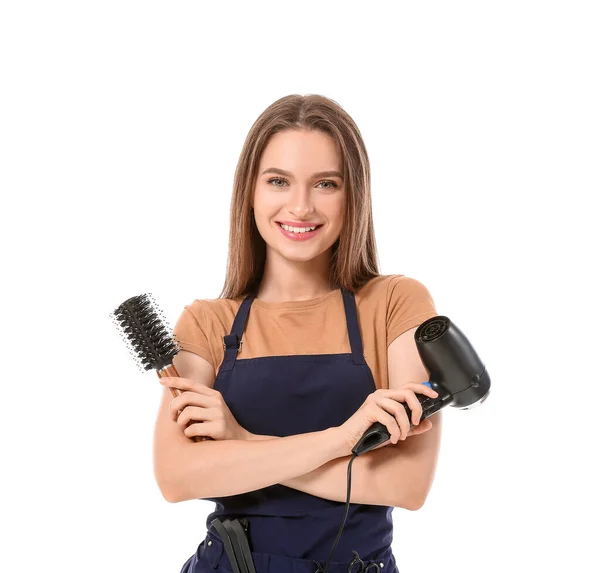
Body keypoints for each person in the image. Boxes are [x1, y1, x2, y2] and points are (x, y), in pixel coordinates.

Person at [154, 94, 443, 573]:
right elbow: (177, 478)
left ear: (355, 193)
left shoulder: (395, 303)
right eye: (278, 181)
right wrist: (343, 440)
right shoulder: (207, 322)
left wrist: (242, 442)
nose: (301, 206)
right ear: (251, 191)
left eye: (326, 183)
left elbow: (406, 483)